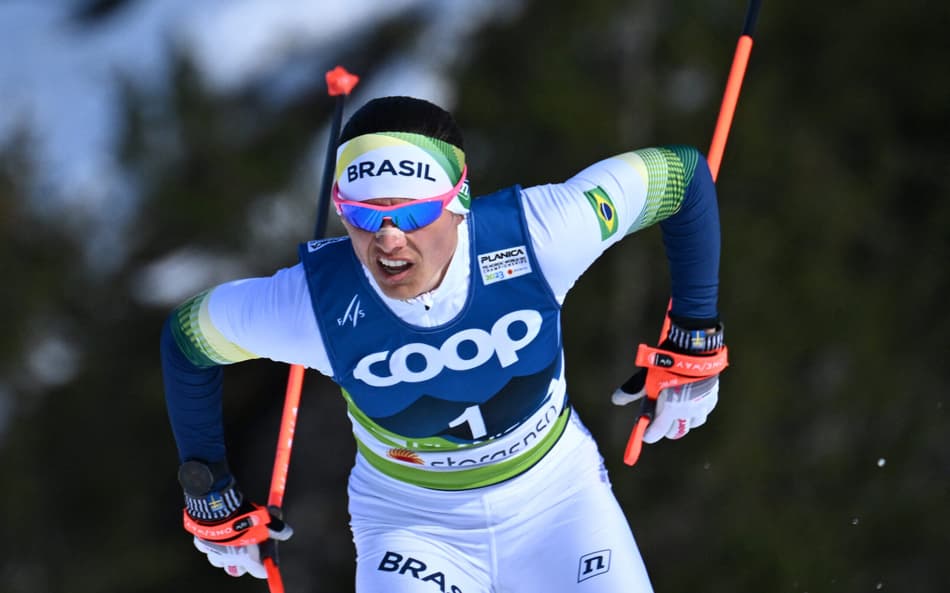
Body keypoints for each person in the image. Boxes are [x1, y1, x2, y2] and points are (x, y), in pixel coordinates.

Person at [160, 95, 726, 592]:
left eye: (411, 213)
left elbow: (680, 175)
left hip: (558, 504)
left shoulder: (540, 233)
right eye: (361, 215)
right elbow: (187, 338)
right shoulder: (311, 304)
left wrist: (695, 337)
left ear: (457, 203)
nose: (386, 239)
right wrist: (209, 491)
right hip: (414, 528)